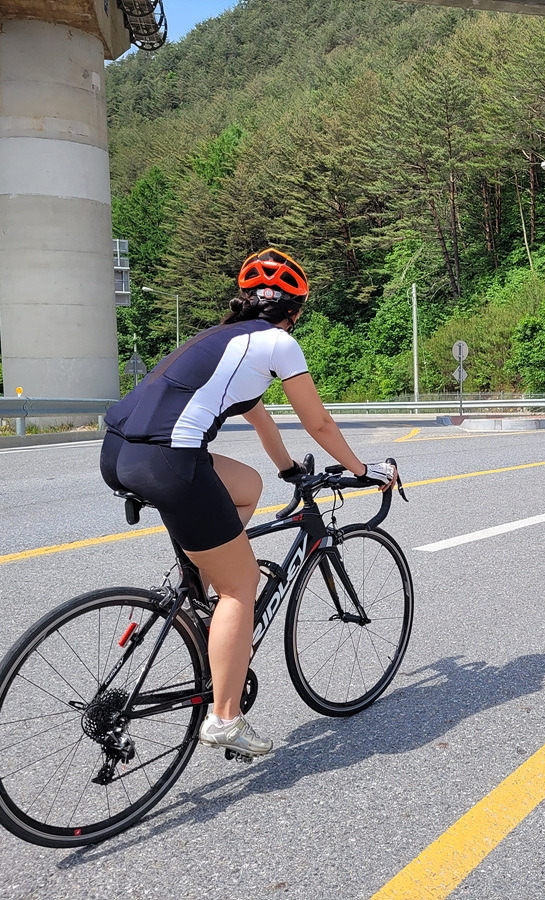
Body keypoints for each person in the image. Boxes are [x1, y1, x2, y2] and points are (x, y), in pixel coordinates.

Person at [100, 247, 396, 759]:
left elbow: (261, 419)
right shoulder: (279, 342)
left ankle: (200, 595)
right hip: (170, 461)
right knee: (242, 586)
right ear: (294, 311)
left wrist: (288, 470)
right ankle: (224, 718)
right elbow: (318, 422)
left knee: (247, 486)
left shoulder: (224, 341)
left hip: (118, 453)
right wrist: (361, 469)